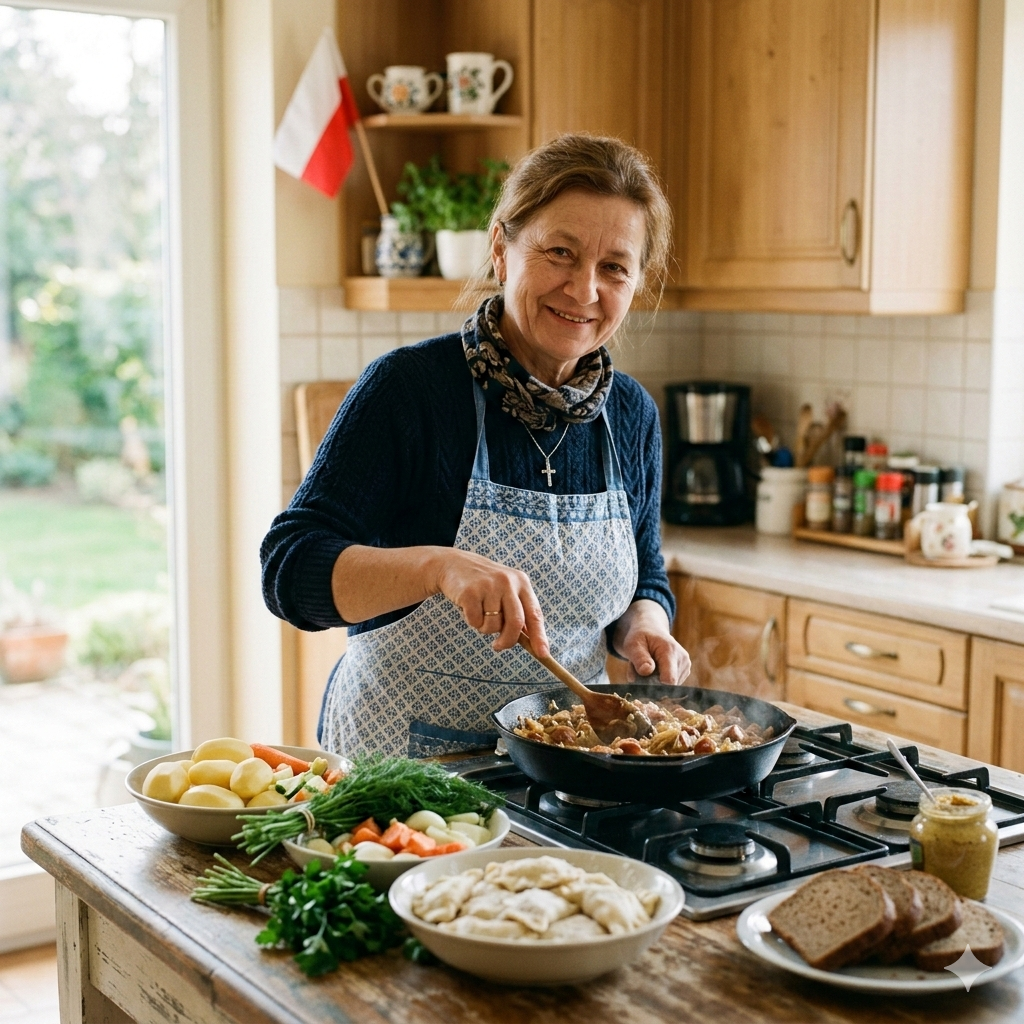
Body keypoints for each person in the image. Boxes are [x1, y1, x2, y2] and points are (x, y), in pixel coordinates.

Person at [261, 133, 691, 758]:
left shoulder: (631, 415)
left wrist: (645, 625)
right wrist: (438, 567)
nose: (584, 290)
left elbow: (644, 572)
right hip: (404, 768)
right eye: (560, 253)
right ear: (501, 249)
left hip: (569, 766)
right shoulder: (411, 389)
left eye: (614, 267)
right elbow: (289, 568)